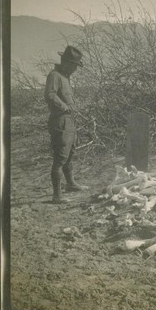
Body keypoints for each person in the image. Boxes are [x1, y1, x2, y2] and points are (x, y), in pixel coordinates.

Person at [45, 45, 89, 203]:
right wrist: (64, 107)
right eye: (75, 66)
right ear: (66, 63)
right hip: (60, 121)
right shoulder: (54, 75)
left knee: (70, 153)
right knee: (60, 157)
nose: (76, 69)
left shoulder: (65, 76)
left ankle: (70, 184)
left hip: (69, 121)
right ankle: (57, 195)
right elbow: (50, 95)